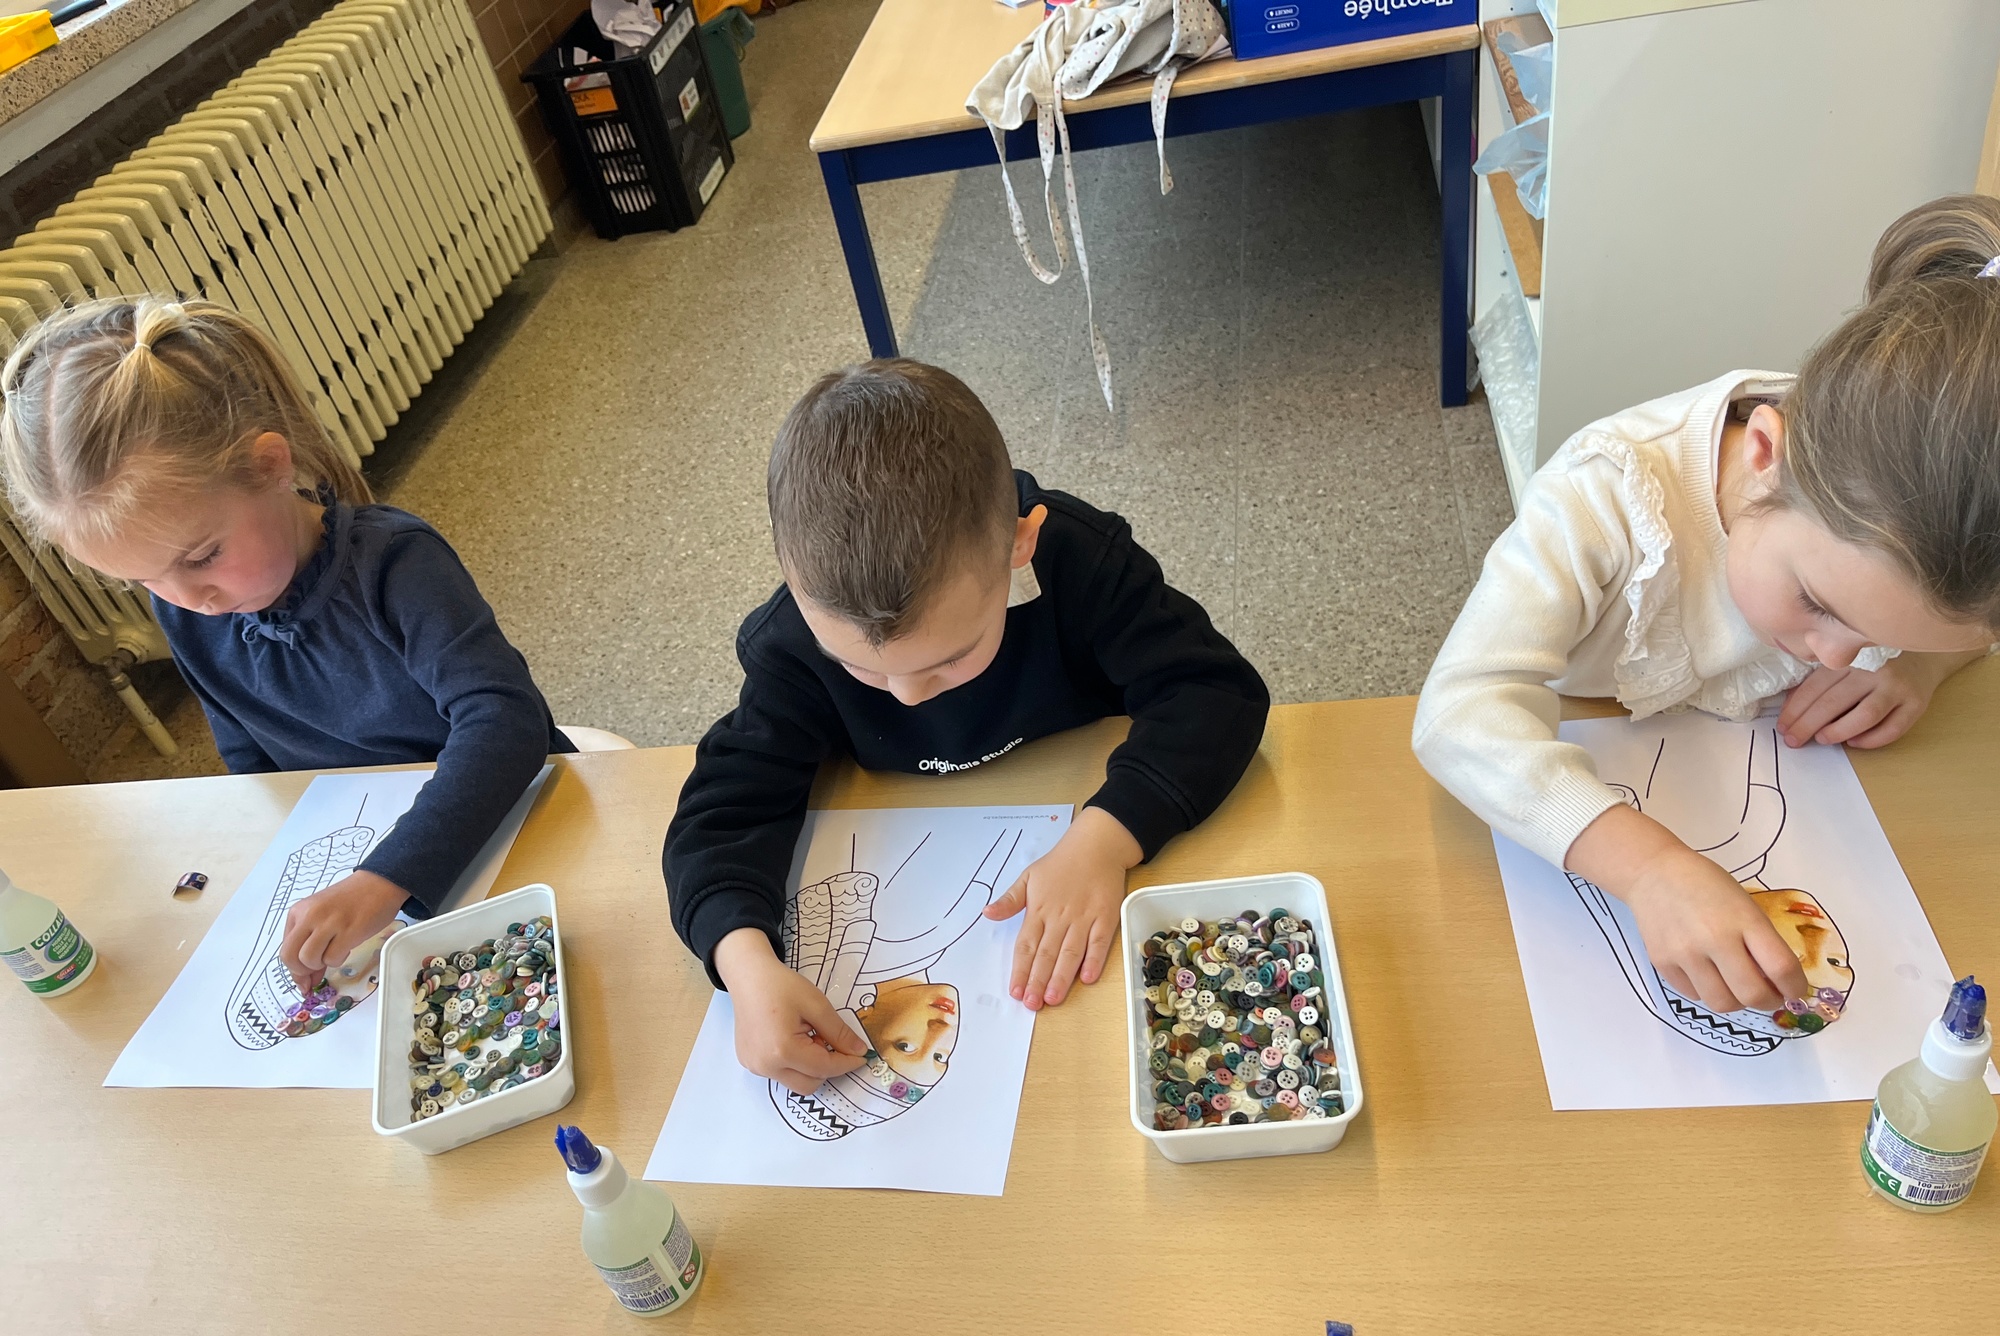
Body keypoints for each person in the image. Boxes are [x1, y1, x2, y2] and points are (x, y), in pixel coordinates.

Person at [1415, 194, 2000, 1018]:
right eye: (1819, 605)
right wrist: (1648, 868)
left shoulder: (1912, 533)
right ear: (1765, 453)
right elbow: (1458, 715)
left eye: (1882, 636)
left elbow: (1968, 633)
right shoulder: (1605, 498)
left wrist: (1925, 668)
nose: (1837, 656)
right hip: (1592, 737)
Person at [665, 359, 1269, 1093]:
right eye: (858, 668)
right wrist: (742, 960)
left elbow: (1215, 693)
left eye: (949, 660)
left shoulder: (1082, 564)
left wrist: (1109, 836)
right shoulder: (793, 644)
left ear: (1019, 544)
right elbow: (724, 809)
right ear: (793, 580)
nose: (906, 696)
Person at [0, 297, 572, 988]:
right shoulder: (187, 608)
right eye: (141, 580)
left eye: (202, 556)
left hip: (517, 819)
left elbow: (506, 724)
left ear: (271, 465)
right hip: (384, 879)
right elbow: (254, 765)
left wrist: (385, 877)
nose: (188, 599)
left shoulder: (396, 564)